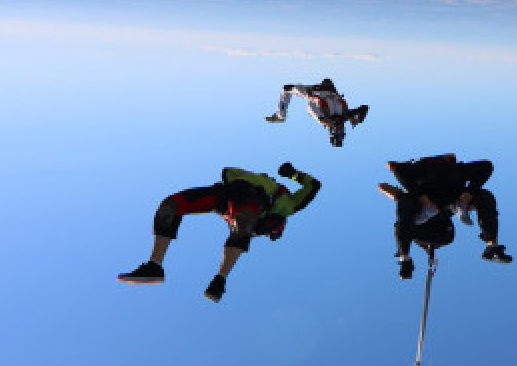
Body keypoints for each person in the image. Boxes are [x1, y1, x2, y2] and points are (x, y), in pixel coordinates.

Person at [118, 162, 320, 302]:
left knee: (243, 224)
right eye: (271, 231)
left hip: (244, 201)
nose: (264, 232)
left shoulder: (253, 217)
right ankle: (154, 266)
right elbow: (313, 185)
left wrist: (221, 277)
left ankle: (220, 279)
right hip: (230, 193)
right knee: (171, 205)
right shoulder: (288, 207)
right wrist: (293, 173)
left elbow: (244, 228)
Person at [378, 154, 512, 279]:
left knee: (404, 200)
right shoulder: (428, 172)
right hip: (435, 221)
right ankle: (405, 258)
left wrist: (465, 198)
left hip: (442, 221)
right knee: (405, 200)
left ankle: (491, 246)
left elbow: (486, 166)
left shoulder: (449, 172)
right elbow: (487, 166)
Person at [265, 78, 369, 147]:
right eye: (341, 132)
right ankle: (280, 116)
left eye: (336, 132)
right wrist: (359, 118)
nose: (339, 128)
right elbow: (365, 107)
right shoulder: (345, 116)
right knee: (328, 81)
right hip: (328, 90)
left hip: (313, 92)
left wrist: (323, 120)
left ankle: (280, 116)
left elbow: (311, 107)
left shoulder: (324, 118)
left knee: (286, 88)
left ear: (331, 131)